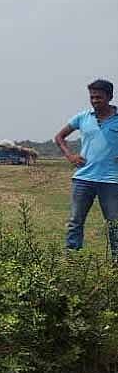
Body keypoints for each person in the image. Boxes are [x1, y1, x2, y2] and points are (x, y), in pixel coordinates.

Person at [54, 79, 118, 259]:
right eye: (92, 97)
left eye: (99, 97)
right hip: (83, 178)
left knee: (114, 224)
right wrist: (70, 156)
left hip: (111, 180)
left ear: (110, 97)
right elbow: (59, 137)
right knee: (75, 222)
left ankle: (116, 263)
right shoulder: (83, 117)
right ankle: (73, 261)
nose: (95, 100)